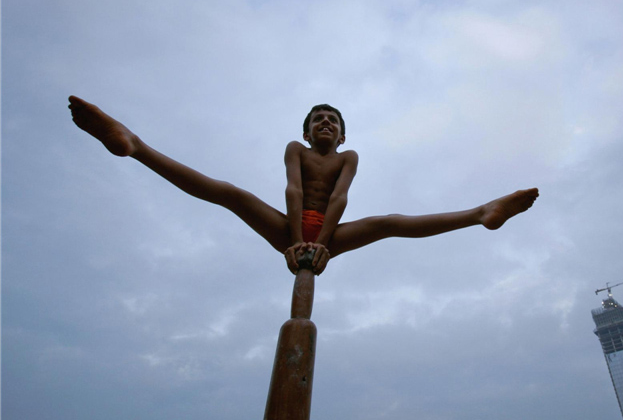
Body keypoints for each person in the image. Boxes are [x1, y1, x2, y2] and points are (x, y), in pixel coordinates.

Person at [68, 96, 539, 275]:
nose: (326, 123)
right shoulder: (296, 149)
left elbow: (340, 197)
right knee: (232, 195)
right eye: (318, 119)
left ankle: (481, 213)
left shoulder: (349, 157)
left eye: (333, 119)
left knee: (389, 222)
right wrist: (296, 242)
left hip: (331, 232)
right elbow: (293, 191)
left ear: (344, 134)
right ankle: (136, 145)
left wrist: (322, 244)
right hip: (289, 226)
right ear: (307, 130)